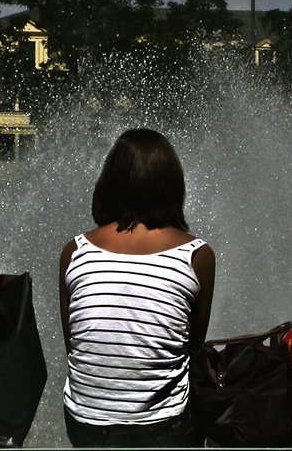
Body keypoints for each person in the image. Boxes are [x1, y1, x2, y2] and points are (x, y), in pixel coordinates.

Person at [59, 128, 216, 448]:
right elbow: (193, 346)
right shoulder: (196, 256)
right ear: (172, 186)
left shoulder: (75, 252)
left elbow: (73, 344)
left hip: (88, 422)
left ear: (109, 184)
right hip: (164, 427)